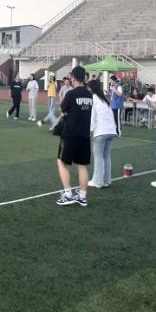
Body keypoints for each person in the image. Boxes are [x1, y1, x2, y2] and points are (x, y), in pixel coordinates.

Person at [56, 66, 93, 207]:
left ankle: (68, 195)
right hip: (85, 134)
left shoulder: (71, 93)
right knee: (82, 166)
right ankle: (82, 196)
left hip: (71, 134)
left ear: (73, 78)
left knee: (61, 162)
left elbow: (62, 108)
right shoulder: (89, 94)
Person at [87, 79, 117, 188]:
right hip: (111, 131)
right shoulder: (104, 99)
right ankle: (106, 180)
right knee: (106, 156)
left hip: (101, 131)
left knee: (99, 157)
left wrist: (90, 130)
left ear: (91, 88)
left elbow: (92, 117)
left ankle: (98, 181)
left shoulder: (94, 99)